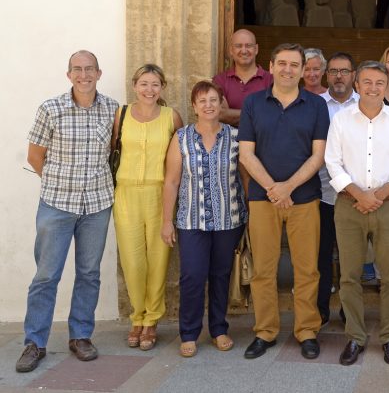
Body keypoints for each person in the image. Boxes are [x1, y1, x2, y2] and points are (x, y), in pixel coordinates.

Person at [16, 51, 119, 373]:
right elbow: (35, 156)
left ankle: (81, 336)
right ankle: (34, 342)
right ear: (68, 74)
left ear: (99, 73)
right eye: (78, 69)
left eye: (90, 69)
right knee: (47, 275)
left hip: (98, 205)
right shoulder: (51, 108)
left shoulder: (113, 109)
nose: (84, 74)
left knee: (89, 273)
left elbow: (114, 149)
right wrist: (61, 182)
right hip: (57, 205)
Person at [238, 43, 330, 361]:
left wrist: (288, 186)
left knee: (307, 269)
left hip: (304, 198)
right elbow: (246, 153)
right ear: (271, 66)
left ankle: (306, 331)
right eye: (282, 63)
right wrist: (273, 188)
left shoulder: (316, 105)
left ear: (304, 70)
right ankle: (265, 331)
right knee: (263, 270)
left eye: (295, 64)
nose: (288, 69)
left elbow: (319, 155)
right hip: (263, 199)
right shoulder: (253, 103)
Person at [325, 61, 389, 366]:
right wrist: (359, 194)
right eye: (367, 82)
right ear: (356, 84)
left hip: (388, 206)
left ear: (385, 84)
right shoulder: (340, 121)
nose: (373, 88)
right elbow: (332, 163)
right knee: (349, 276)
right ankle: (355, 337)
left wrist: (378, 195)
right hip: (349, 205)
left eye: (379, 82)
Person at [161, 81, 246, 357]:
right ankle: (188, 332)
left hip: (228, 218)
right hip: (191, 220)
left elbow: (244, 178)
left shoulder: (235, 137)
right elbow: (172, 182)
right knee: (192, 276)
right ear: (194, 106)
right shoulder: (181, 137)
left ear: (221, 104)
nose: (209, 105)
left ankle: (219, 329)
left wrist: (252, 215)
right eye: (202, 101)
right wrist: (166, 221)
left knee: (221, 275)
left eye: (213, 100)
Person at [113, 64, 182, 351]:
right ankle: (136, 317)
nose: (149, 90)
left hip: (158, 193)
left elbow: (181, 158)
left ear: (162, 87)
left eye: (155, 84)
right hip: (125, 194)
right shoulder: (122, 114)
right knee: (132, 261)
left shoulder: (171, 117)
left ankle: (151, 319)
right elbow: (111, 150)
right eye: (144, 84)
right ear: (134, 85)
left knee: (158, 259)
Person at [317, 52, 359, 326]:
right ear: (326, 75)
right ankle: (319, 311)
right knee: (320, 255)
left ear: (353, 74)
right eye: (333, 71)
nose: (339, 76)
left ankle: (349, 311)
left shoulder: (367, 104)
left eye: (344, 71)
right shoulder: (314, 104)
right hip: (321, 192)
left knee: (351, 258)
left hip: (357, 195)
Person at [214, 29, 273, 126]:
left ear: (256, 49)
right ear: (231, 50)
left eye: (248, 45)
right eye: (238, 46)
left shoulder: (271, 80)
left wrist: (231, 114)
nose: (244, 51)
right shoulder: (220, 80)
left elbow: (273, 114)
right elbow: (219, 114)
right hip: (229, 139)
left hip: (262, 139)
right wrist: (259, 114)